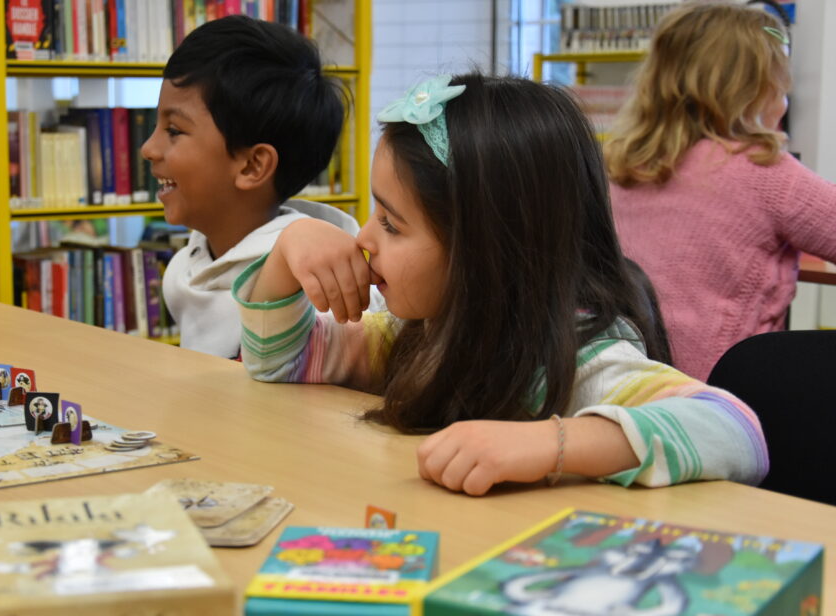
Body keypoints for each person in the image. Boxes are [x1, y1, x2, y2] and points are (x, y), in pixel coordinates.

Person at [232, 73, 768, 496]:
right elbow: (279, 361)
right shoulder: (415, 333)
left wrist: (546, 444)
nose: (365, 238)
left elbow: (735, 431)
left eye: (392, 224)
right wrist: (287, 250)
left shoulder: (578, 358)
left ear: (486, 249)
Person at [605, 2, 836, 381]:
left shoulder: (625, 166)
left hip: (631, 382)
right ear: (754, 92)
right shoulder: (762, 171)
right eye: (781, 89)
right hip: (723, 397)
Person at [142, 14, 378, 359]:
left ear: (253, 165)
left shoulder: (312, 285)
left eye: (174, 131)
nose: (148, 148)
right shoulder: (187, 265)